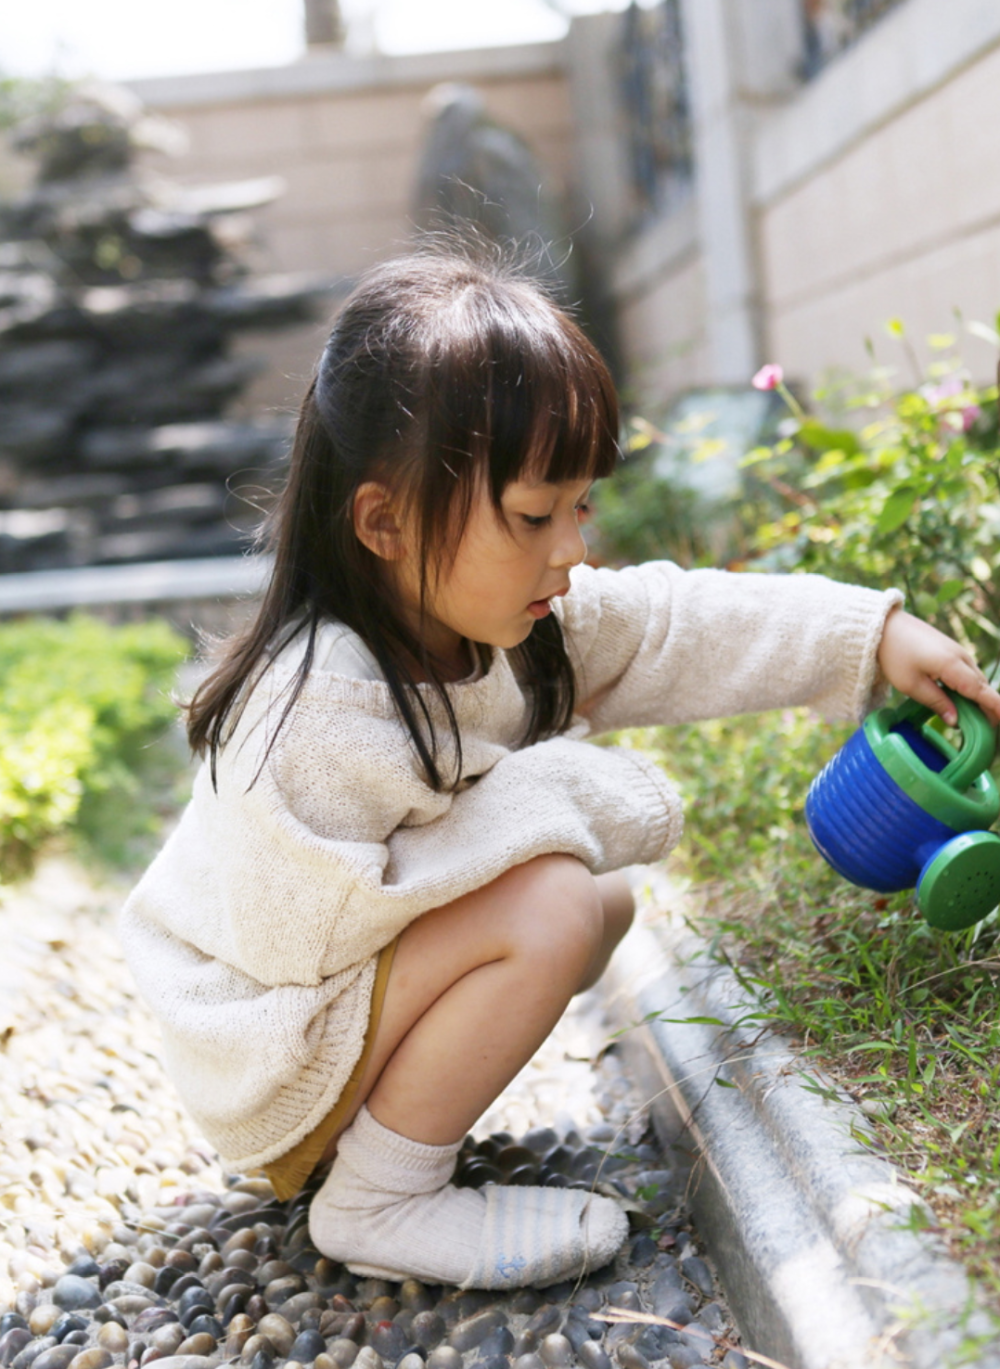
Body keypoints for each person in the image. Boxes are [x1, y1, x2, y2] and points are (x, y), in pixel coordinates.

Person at [119, 247, 1000, 1293]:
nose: (572, 547)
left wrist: (869, 636)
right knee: (546, 903)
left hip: (333, 1017)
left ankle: (393, 1136)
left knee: (593, 898)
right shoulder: (315, 701)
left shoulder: (505, 623)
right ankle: (379, 1197)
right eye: (535, 516)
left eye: (581, 506)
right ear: (384, 522)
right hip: (265, 1045)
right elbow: (302, 939)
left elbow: (673, 623)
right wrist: (557, 797)